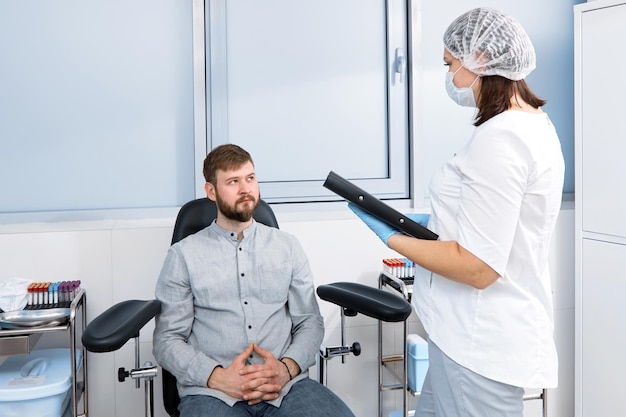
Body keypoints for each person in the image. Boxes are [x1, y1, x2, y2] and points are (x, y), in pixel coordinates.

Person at [349, 7, 564, 417]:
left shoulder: (502, 138)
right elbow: (496, 226)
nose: (449, 76)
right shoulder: (531, 126)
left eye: (450, 63)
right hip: (465, 340)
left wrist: (394, 238)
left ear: (479, 59)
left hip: (479, 344)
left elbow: (479, 267)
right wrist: (438, 225)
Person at [153, 144, 355, 417]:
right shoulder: (183, 256)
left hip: (287, 388)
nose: (245, 188)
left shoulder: (288, 247)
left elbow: (309, 321)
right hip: (213, 393)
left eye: (250, 178)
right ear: (211, 191)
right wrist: (217, 377)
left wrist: (287, 368)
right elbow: (167, 340)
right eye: (233, 181)